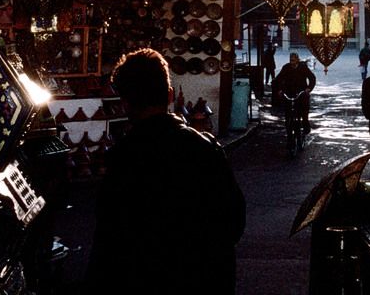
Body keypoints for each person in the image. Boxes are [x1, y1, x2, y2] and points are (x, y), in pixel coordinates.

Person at [86, 49, 245, 293]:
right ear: (170, 95)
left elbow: (108, 243)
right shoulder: (205, 149)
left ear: (125, 103)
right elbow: (234, 222)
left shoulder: (123, 160)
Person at [273, 51, 316, 134]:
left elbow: (312, 78)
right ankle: (288, 127)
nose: (292, 62)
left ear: (297, 60)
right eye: (291, 60)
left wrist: (309, 88)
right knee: (287, 111)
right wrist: (279, 90)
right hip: (289, 92)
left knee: (304, 108)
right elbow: (278, 79)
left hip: (301, 92)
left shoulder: (303, 67)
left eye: (293, 60)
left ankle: (305, 122)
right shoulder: (286, 67)